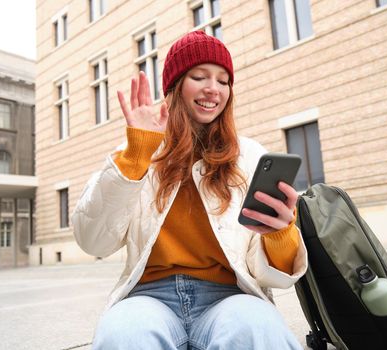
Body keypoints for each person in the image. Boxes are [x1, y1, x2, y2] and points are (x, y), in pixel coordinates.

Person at [72, 30, 308, 350]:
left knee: (258, 328)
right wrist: (137, 155)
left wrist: (281, 234)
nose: (213, 88)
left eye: (223, 81)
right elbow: (93, 240)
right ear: (175, 86)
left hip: (229, 296)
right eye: (199, 76)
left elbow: (270, 276)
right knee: (123, 337)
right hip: (149, 298)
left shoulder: (250, 156)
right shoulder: (138, 152)